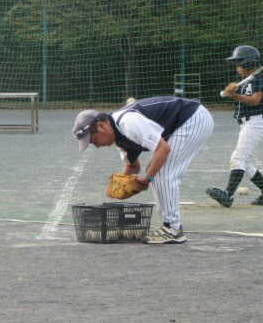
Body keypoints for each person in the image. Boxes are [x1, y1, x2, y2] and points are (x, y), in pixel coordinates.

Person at [73, 96, 213, 244]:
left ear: (101, 126)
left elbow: (163, 149)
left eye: (94, 140)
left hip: (193, 118)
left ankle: (173, 229)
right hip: (186, 121)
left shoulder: (128, 123)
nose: (96, 145)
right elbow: (133, 167)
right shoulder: (119, 138)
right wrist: (118, 186)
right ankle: (170, 226)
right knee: (156, 170)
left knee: (162, 172)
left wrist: (147, 178)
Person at [206, 45, 263, 207]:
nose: (237, 68)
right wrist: (231, 90)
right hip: (247, 124)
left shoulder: (260, 78)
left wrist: (234, 95)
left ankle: (228, 194)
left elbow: (255, 100)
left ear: (248, 63)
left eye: (239, 64)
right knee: (244, 163)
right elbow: (237, 93)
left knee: (237, 158)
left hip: (255, 123)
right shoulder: (245, 80)